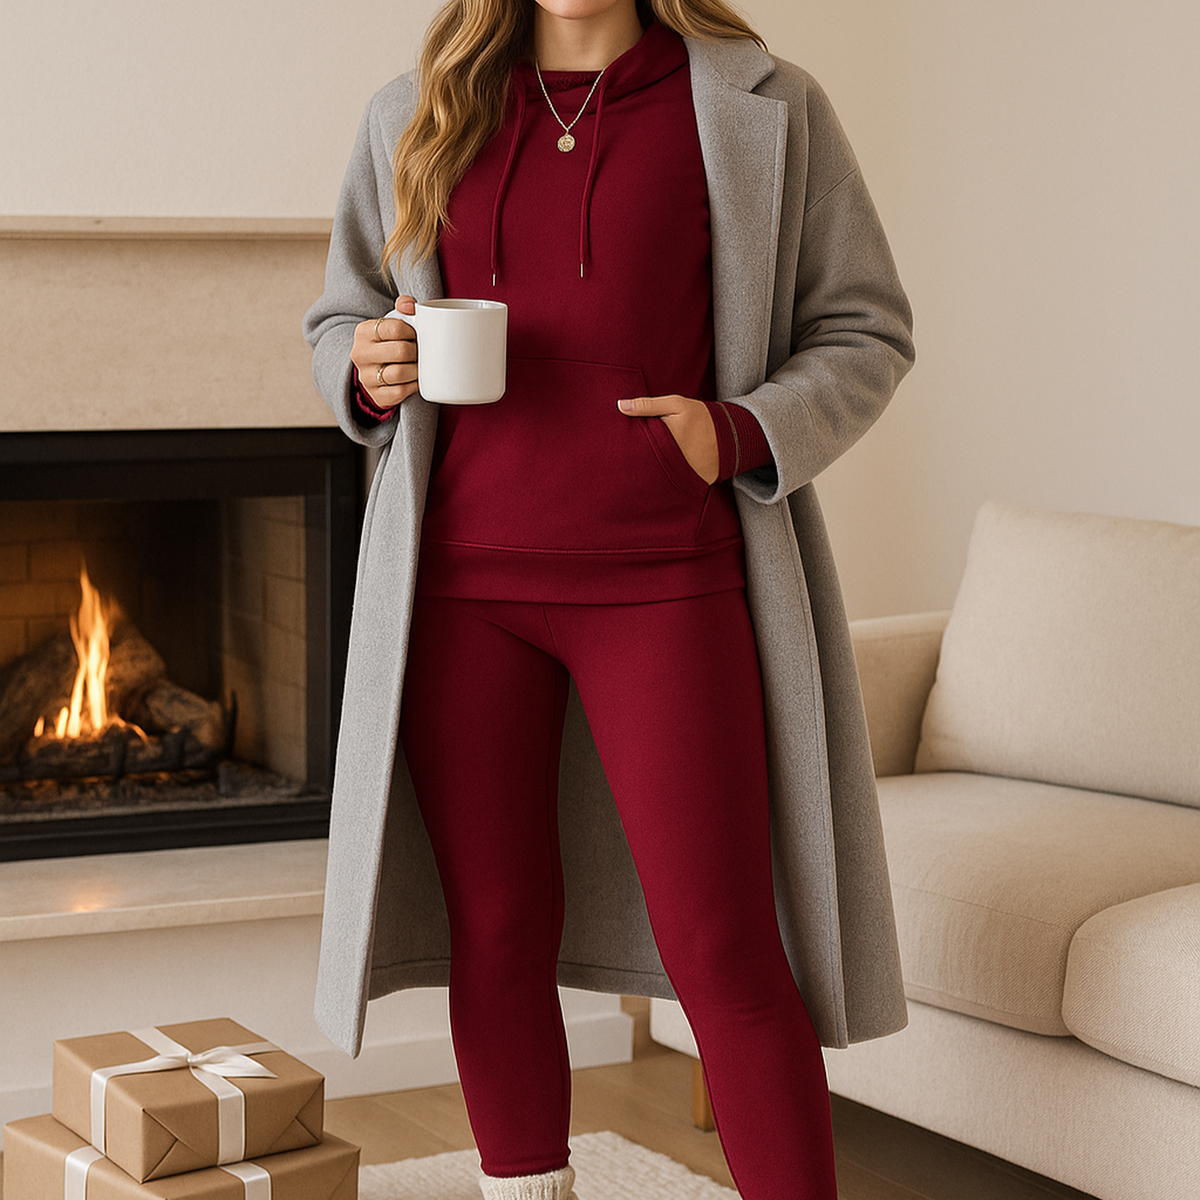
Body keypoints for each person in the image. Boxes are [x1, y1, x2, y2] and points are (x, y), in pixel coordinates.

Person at [303, 1, 914, 1197]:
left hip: (668, 583)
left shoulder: (764, 108)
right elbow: (342, 314)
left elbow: (866, 327)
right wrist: (362, 369)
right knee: (496, 933)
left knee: (728, 947)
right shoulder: (415, 110)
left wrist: (733, 430)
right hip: (458, 592)